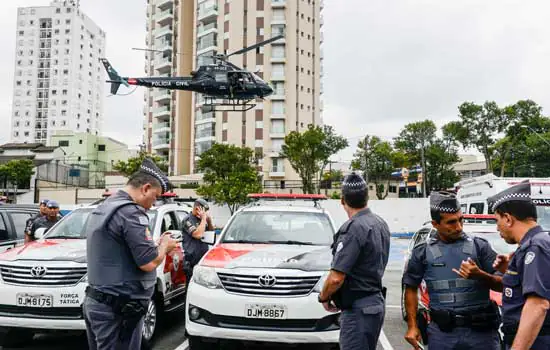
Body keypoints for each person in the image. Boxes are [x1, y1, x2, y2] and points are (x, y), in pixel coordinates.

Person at [83, 158, 179, 350]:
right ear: (145, 188)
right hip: (119, 309)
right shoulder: (130, 213)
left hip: (99, 302)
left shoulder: (106, 206)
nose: (153, 204)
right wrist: (165, 247)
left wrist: (153, 245)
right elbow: (149, 262)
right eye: (155, 196)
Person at [402, 191, 501, 350]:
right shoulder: (422, 252)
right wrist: (412, 326)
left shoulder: (480, 246)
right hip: (443, 335)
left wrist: (481, 275)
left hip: (481, 334)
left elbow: (503, 285)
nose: (459, 227)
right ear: (435, 224)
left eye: (461, 220)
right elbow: (411, 288)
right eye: (451, 222)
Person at [317, 172, 390, 350]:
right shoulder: (380, 223)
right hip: (374, 304)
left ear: (343, 200)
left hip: (358, 310)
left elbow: (336, 278)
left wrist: (323, 297)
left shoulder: (353, 229)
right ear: (367, 197)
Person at [489, 181, 550, 349]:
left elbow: (538, 304)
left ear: (508, 219)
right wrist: (509, 271)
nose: (497, 228)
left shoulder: (535, 247)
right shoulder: (534, 245)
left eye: (497, 220)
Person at [181, 198, 214, 276]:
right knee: (191, 286)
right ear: (197, 208)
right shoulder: (188, 220)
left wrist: (209, 221)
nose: (205, 213)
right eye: (204, 210)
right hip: (192, 261)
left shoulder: (201, 220)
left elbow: (211, 233)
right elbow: (198, 235)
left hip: (202, 259)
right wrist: (203, 219)